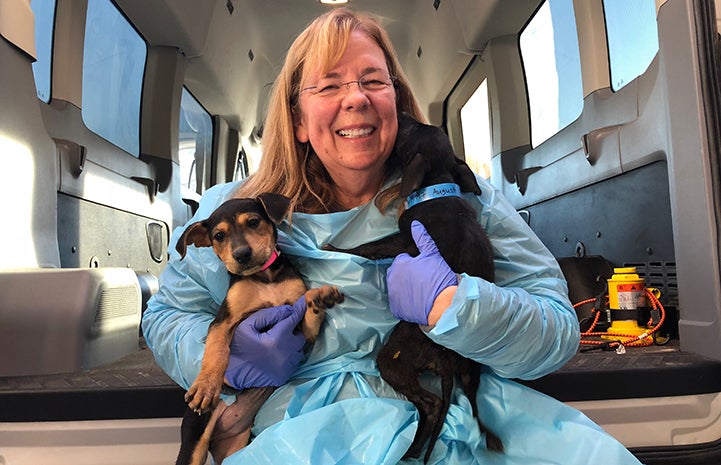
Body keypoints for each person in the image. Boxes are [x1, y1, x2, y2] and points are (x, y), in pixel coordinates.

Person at [142, 8, 643, 465]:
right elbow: (167, 317)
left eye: (372, 81)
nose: (355, 98)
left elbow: (557, 331)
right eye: (330, 85)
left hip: (455, 412)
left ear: (396, 103)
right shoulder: (234, 212)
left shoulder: (461, 199)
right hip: (305, 435)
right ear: (297, 119)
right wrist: (226, 360)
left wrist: (458, 306)